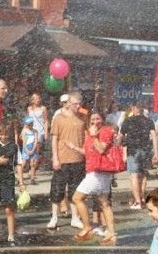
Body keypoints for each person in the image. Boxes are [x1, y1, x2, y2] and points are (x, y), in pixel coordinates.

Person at [68, 111, 118, 244]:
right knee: (104, 203)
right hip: (95, 171)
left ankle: (87, 228)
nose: (95, 122)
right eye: (93, 119)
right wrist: (74, 148)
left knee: (77, 198)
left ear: (102, 119)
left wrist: (94, 135)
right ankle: (111, 234)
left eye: (98, 119)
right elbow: (88, 152)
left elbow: (101, 149)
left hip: (98, 172)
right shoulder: (90, 133)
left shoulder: (106, 131)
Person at [47, 92, 86, 230]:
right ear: (68, 104)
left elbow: (87, 136)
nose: (78, 106)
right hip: (63, 159)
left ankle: (75, 218)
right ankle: (54, 217)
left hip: (79, 159)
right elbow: (54, 139)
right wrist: (55, 158)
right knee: (57, 189)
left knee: (75, 190)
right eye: (75, 104)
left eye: (80, 104)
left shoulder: (83, 117)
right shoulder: (59, 118)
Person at [0, 122, 21, 246]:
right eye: (1, 134)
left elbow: (18, 164)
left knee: (8, 208)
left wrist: (21, 182)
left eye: (6, 134)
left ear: (9, 134)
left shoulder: (14, 147)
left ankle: (11, 235)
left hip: (8, 179)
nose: (3, 137)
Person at [120, 101, 158, 210]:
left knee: (134, 176)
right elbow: (154, 136)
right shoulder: (148, 120)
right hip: (146, 151)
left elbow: (120, 137)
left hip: (133, 151)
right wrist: (156, 153)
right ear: (142, 109)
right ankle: (141, 198)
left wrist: (116, 143)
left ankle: (138, 202)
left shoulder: (128, 121)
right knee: (143, 174)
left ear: (133, 108)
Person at [20, 116, 39, 185]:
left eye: (31, 123)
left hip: (33, 149)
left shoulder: (35, 131)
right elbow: (24, 142)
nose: (30, 125)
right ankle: (20, 177)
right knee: (24, 163)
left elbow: (36, 141)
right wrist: (27, 150)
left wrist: (33, 150)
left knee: (33, 164)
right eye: (29, 123)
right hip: (26, 149)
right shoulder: (24, 131)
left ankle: (32, 178)